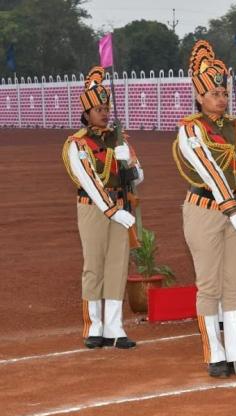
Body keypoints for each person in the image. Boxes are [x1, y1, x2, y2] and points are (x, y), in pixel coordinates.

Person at [173, 40, 236, 378]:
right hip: (206, 211)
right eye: (213, 93)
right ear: (199, 96)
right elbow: (208, 169)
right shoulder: (191, 128)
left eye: (224, 93)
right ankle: (215, 354)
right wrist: (233, 212)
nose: (221, 98)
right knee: (209, 285)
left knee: (233, 285)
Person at [62, 66, 142, 350]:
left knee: (117, 266)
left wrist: (128, 164)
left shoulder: (120, 140)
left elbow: (139, 177)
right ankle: (93, 325)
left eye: (106, 108)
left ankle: (114, 327)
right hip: (94, 208)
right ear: (86, 114)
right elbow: (89, 180)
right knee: (94, 266)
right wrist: (112, 211)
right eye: (98, 109)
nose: (104, 113)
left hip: (120, 205)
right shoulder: (77, 143)